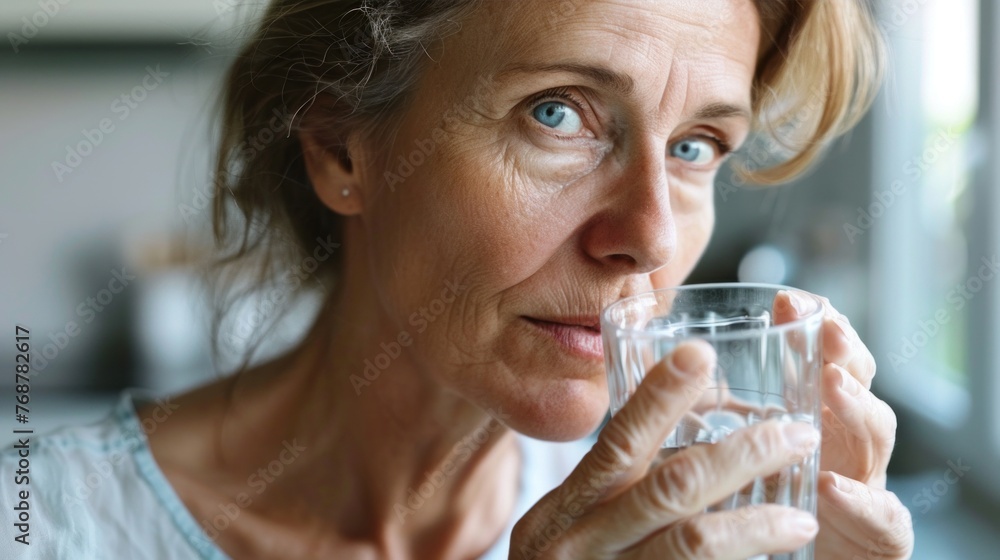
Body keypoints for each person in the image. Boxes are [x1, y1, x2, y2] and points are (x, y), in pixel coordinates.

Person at [1, 0, 915, 558]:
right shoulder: (42, 528)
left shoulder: (686, 528)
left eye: (693, 146)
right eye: (557, 114)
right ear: (340, 150)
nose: (648, 237)